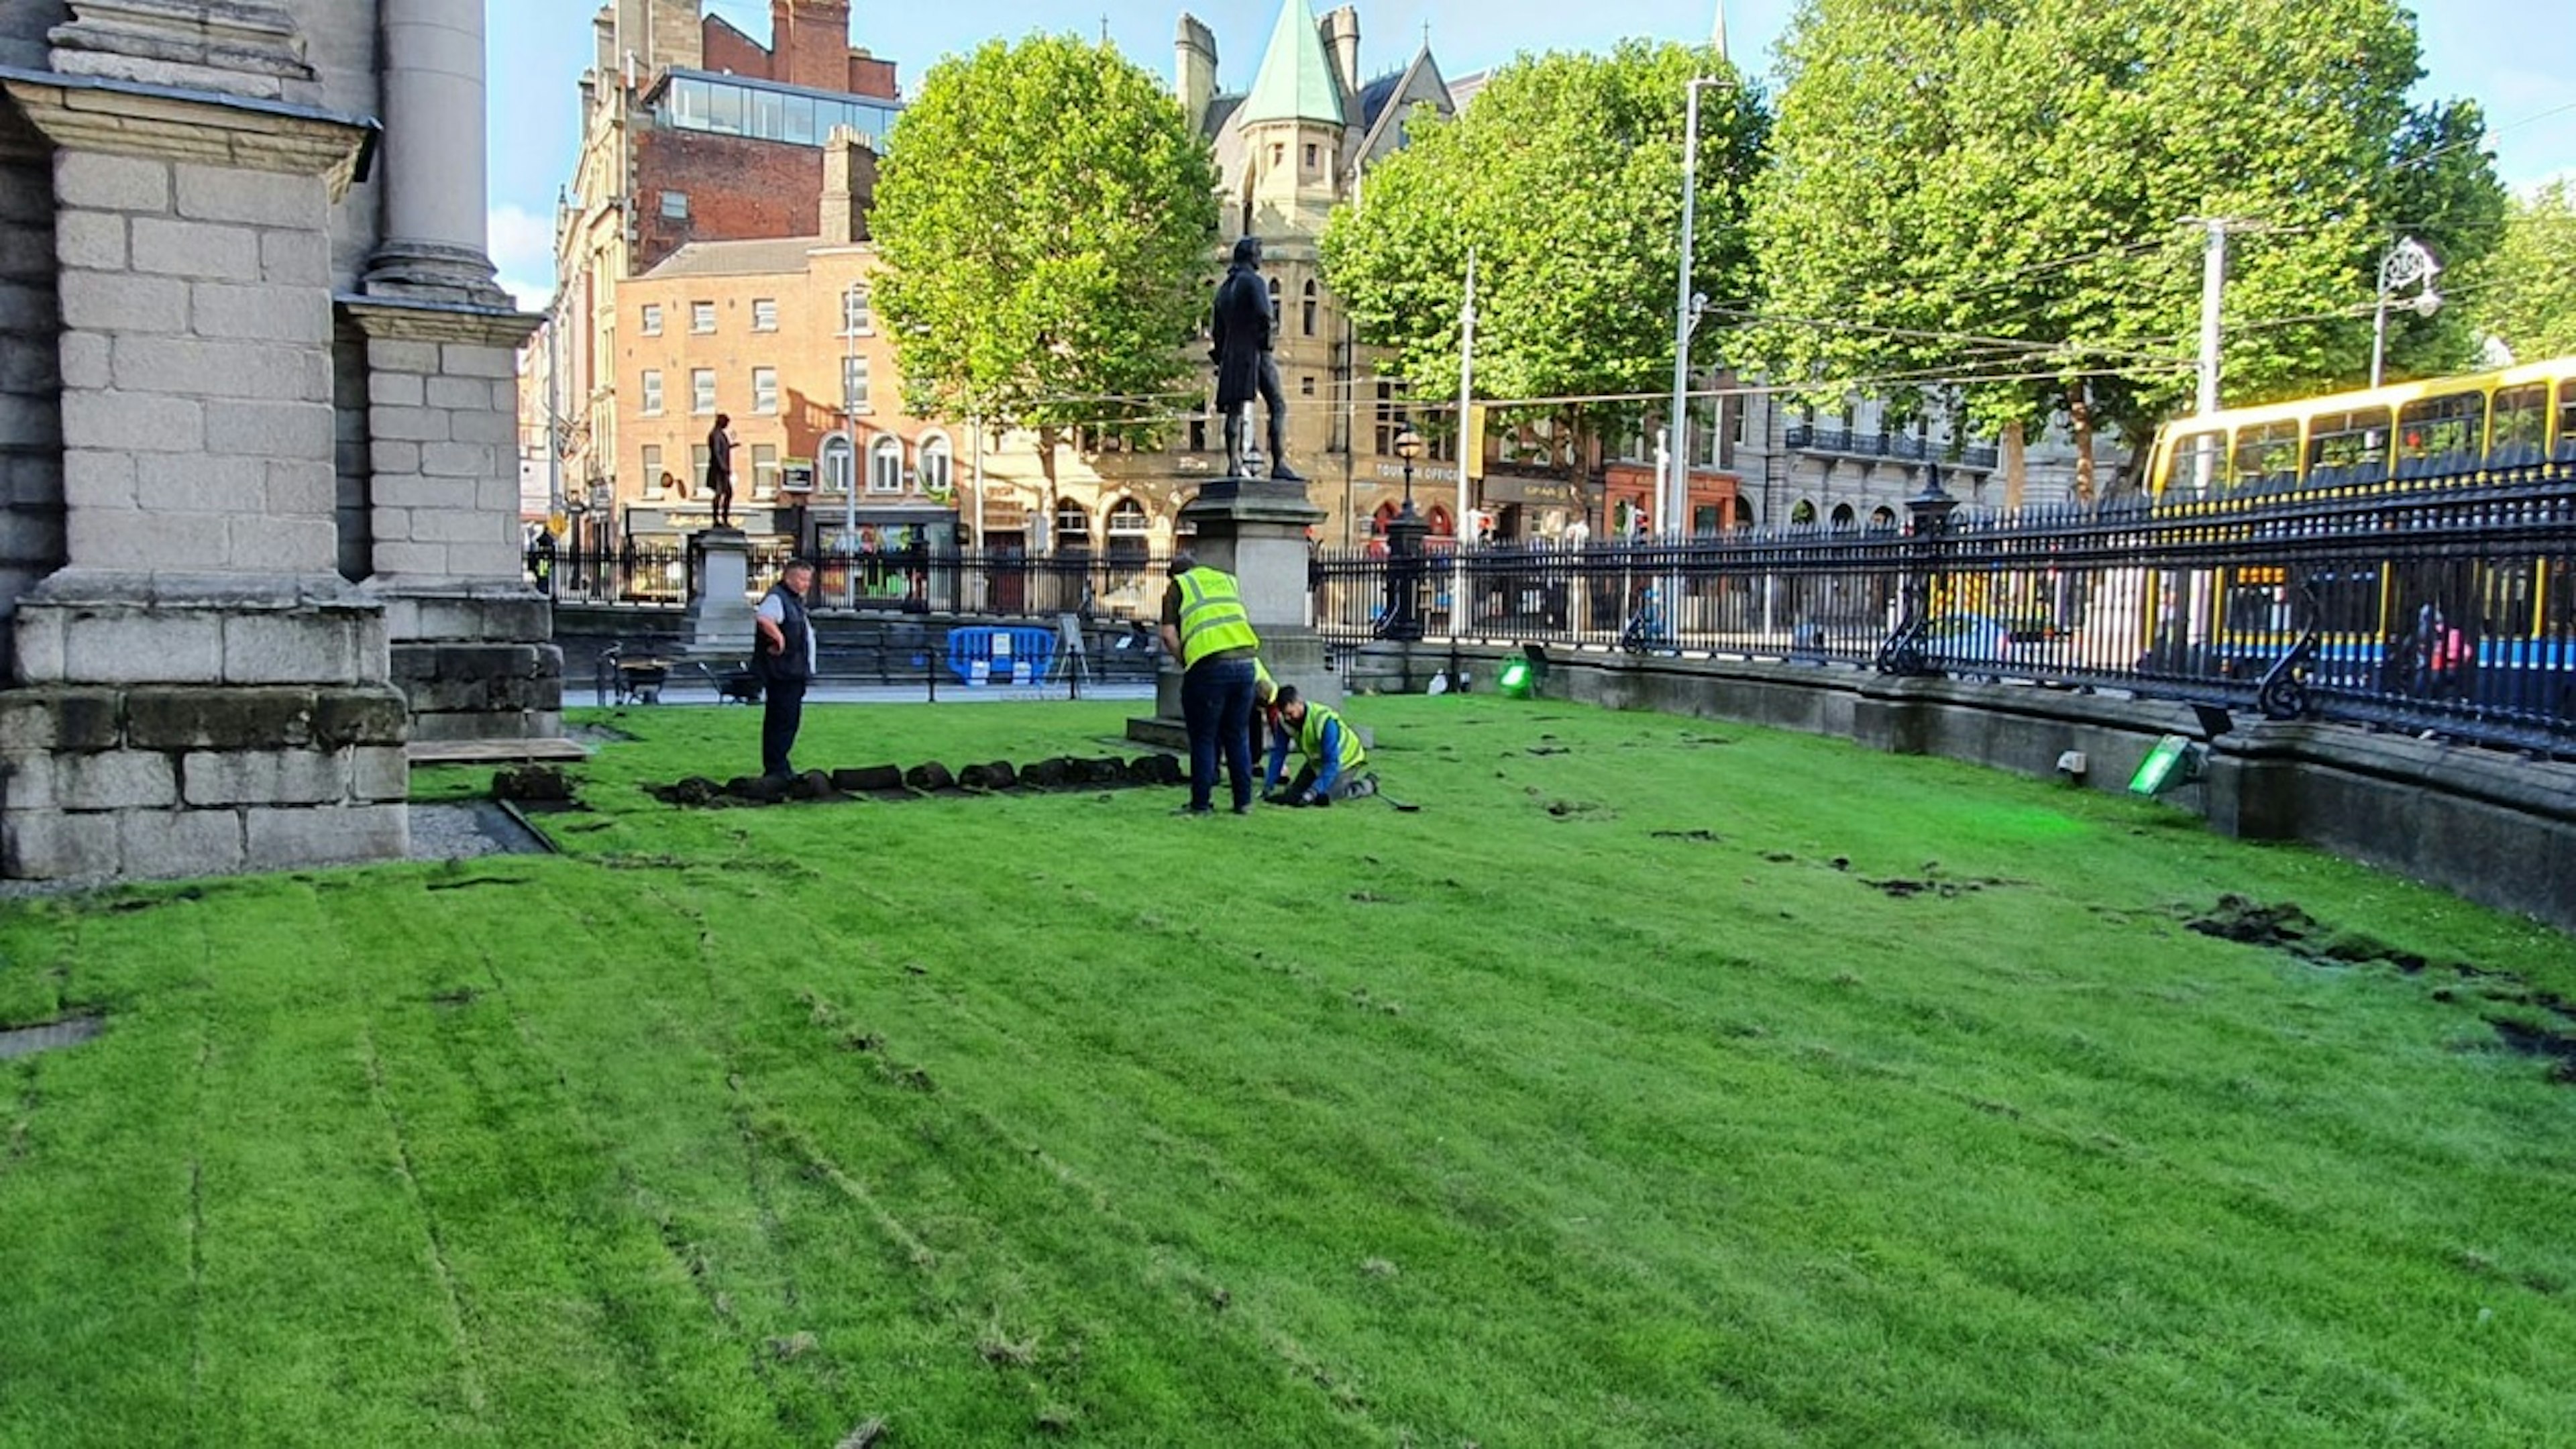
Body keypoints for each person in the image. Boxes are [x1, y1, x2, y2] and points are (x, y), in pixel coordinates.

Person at [1159, 553, 1261, 815]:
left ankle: (1201, 804)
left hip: (1209, 666)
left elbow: (1169, 635)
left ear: (1174, 575)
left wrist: (1187, 660)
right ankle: (1243, 802)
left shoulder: (1178, 586)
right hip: (1247, 664)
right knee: (1237, 737)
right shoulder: (1226, 580)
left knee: (1204, 738)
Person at [1211, 236, 1301, 482]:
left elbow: (1217, 330)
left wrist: (1221, 357)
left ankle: (1233, 464)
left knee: (1234, 412)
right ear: (1251, 256)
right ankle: (1279, 463)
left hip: (1231, 355)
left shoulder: (1223, 290)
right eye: (1259, 253)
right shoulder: (1254, 282)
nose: (1261, 258)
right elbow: (1264, 314)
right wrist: (1267, 339)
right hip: (1255, 352)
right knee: (1278, 405)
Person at [753, 557, 816, 777]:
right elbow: (764, 619)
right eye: (802, 579)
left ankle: (780, 765)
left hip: (793, 671)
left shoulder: (793, 600)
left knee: (788, 721)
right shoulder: (778, 598)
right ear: (788, 577)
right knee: (781, 721)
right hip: (783, 672)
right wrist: (778, 637)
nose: (806, 584)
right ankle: (776, 767)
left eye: (808, 579)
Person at [1263, 686, 1377, 806]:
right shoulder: (1284, 722)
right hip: (1318, 761)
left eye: (1290, 714)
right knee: (1293, 794)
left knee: (1324, 797)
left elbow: (1332, 763)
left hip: (1346, 761)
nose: (1287, 718)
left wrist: (1313, 791)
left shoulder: (1324, 721)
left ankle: (1367, 785)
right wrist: (1269, 784)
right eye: (1284, 714)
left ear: (1299, 703)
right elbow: (1279, 754)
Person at [705, 413, 737, 529]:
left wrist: (731, 446)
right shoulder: (716, 434)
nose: (727, 425)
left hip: (721, 469)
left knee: (727, 493)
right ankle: (717, 519)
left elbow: (721, 449)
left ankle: (723, 518)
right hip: (718, 470)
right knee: (720, 494)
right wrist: (724, 467)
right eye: (726, 423)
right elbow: (717, 452)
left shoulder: (719, 434)